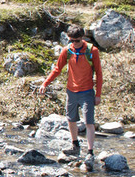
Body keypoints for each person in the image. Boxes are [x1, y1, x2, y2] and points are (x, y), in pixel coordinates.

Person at [39, 23, 102, 168]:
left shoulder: (93, 51)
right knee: (71, 119)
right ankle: (75, 146)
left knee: (89, 122)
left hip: (86, 92)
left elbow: (99, 74)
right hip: (71, 91)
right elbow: (57, 69)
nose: (75, 43)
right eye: (72, 41)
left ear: (83, 38)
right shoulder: (67, 51)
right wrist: (45, 83)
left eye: (77, 41)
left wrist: (97, 94)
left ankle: (90, 152)